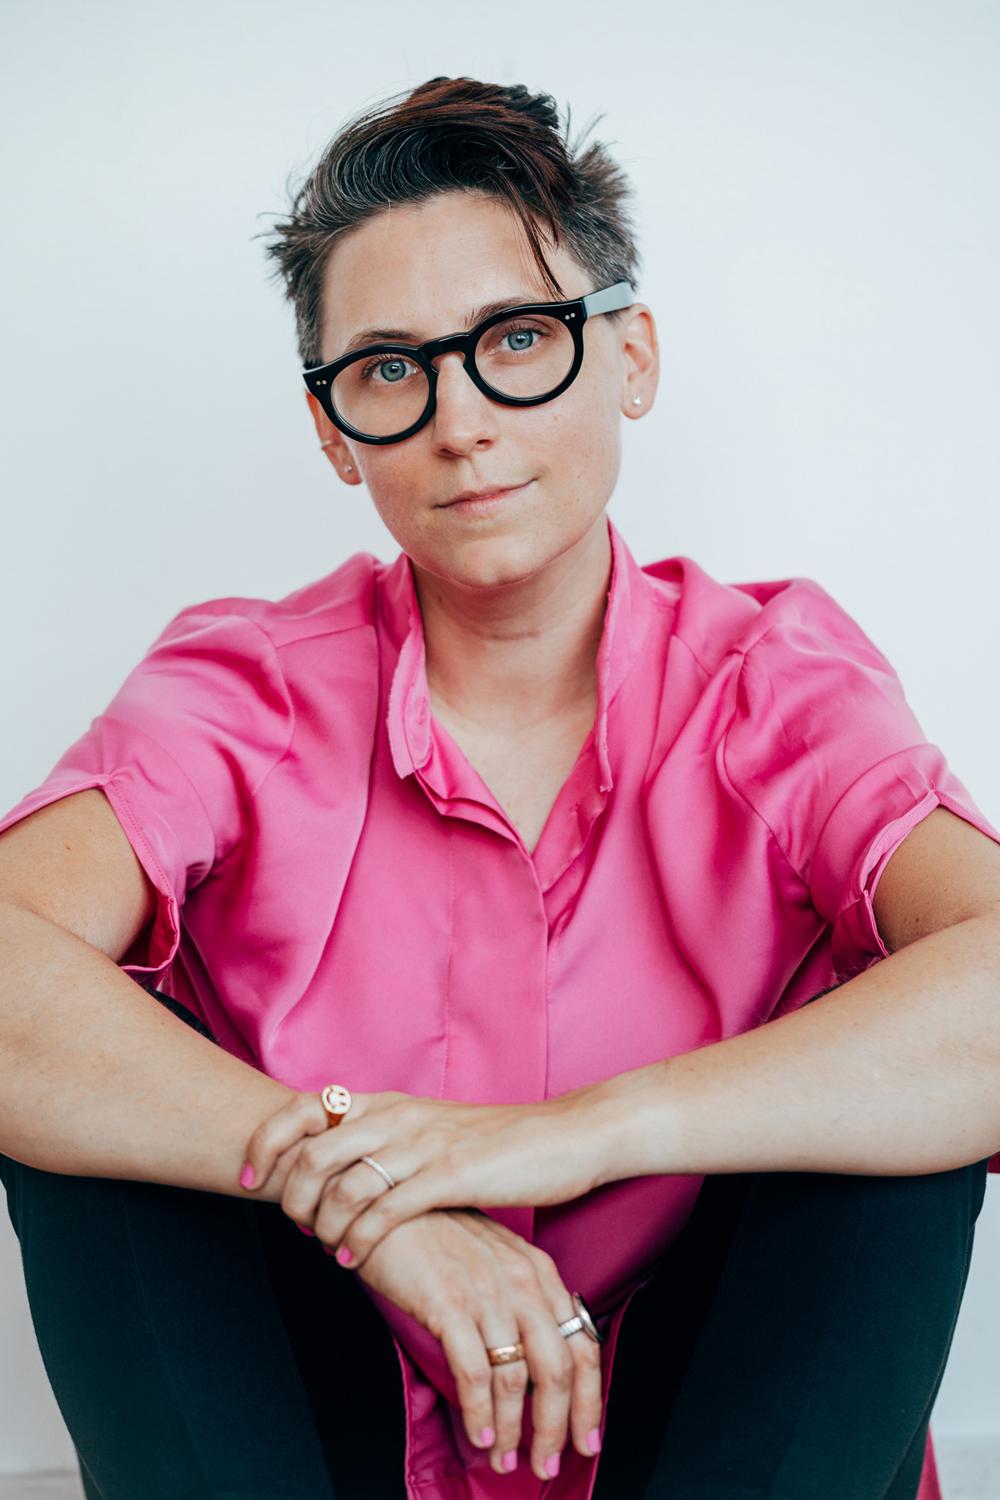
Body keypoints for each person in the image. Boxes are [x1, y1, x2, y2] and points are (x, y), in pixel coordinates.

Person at [0, 75, 997, 1500]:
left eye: (517, 340)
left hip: (688, 1424)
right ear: (336, 431)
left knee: (903, 1089)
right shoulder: (245, 686)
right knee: (84, 1102)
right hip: (319, 1427)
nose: (461, 419)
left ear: (630, 356)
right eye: (392, 370)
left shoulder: (774, 679)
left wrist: (562, 1138)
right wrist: (353, 1185)